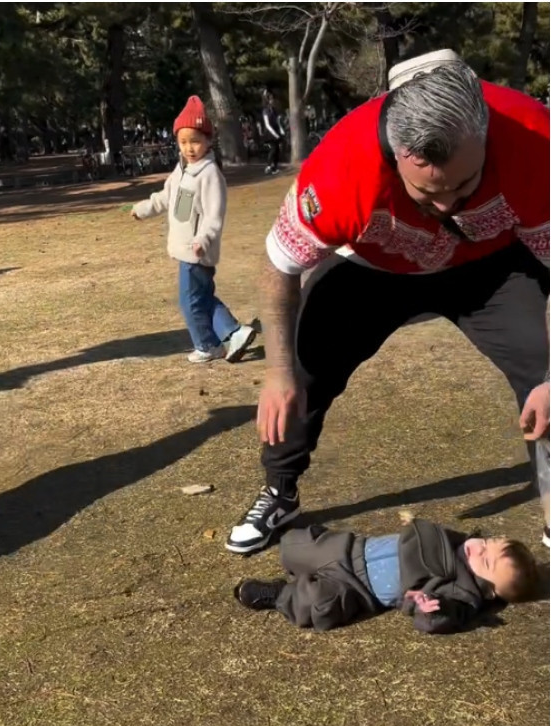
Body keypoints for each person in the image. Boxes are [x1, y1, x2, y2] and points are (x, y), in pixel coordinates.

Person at [226, 51, 550, 556]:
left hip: (492, 265)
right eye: (426, 191)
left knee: (543, 366)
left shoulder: (535, 138)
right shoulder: (341, 166)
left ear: (486, 134)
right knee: (307, 367)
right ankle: (280, 490)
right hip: (374, 268)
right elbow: (279, 266)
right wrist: (277, 372)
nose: (446, 205)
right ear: (395, 152)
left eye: (464, 184)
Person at [234, 519, 546, 632]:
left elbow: (439, 619)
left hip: (357, 588)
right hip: (354, 548)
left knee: (318, 603)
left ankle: (280, 595)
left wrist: (429, 609)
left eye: (486, 561)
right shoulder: (453, 540)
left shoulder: (461, 593)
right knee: (294, 546)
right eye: (489, 544)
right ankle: (301, 562)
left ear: (489, 591)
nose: (479, 549)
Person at [130, 96, 257, 363]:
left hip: (197, 251)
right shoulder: (182, 170)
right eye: (184, 142)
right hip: (185, 249)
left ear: (209, 140)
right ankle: (235, 332)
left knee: (191, 302)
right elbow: (165, 198)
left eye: (195, 141)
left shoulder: (209, 174)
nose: (189, 148)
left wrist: (203, 239)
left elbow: (214, 214)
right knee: (202, 297)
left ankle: (208, 344)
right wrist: (142, 209)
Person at [261, 91, 285, 175]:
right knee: (273, 149)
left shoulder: (274, 110)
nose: (272, 101)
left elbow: (277, 121)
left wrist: (281, 130)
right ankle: (268, 166)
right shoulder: (265, 111)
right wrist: (274, 134)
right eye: (271, 99)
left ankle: (274, 167)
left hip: (276, 130)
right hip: (269, 133)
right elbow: (267, 124)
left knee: (277, 150)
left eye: (272, 99)